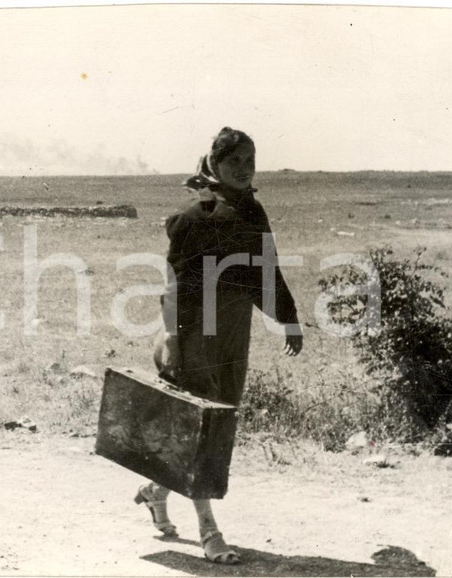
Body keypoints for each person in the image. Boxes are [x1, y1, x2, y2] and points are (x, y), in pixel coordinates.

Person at [142, 127, 303, 565]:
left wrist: (289, 320)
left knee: (221, 418)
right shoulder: (197, 215)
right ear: (214, 164)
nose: (243, 169)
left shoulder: (253, 213)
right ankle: (208, 530)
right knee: (204, 424)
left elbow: (267, 271)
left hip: (234, 330)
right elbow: (175, 283)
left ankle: (157, 492)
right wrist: (173, 337)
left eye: (249, 161)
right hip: (196, 330)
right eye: (234, 161)